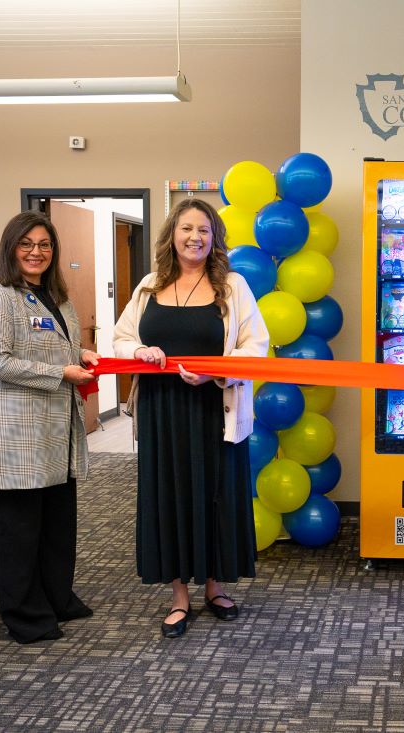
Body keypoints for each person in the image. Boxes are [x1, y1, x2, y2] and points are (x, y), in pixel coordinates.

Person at [113, 198, 269, 639]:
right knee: (171, 496)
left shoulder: (233, 286)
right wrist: (138, 351)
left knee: (216, 495)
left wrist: (214, 371)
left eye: (204, 230)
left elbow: (255, 345)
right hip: (163, 412)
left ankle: (215, 587)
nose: (194, 237)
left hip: (214, 410)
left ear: (214, 238)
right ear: (172, 235)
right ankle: (180, 596)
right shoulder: (149, 285)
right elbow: (122, 337)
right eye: (186, 228)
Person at [0, 211, 98, 644]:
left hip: (56, 431)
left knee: (56, 523)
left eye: (44, 244)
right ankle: (26, 615)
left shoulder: (56, 296)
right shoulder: (1, 296)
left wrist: (81, 354)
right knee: (19, 530)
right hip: (18, 433)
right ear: (11, 248)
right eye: (26, 244)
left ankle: (56, 598)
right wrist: (61, 372)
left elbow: (57, 346)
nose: (36, 252)